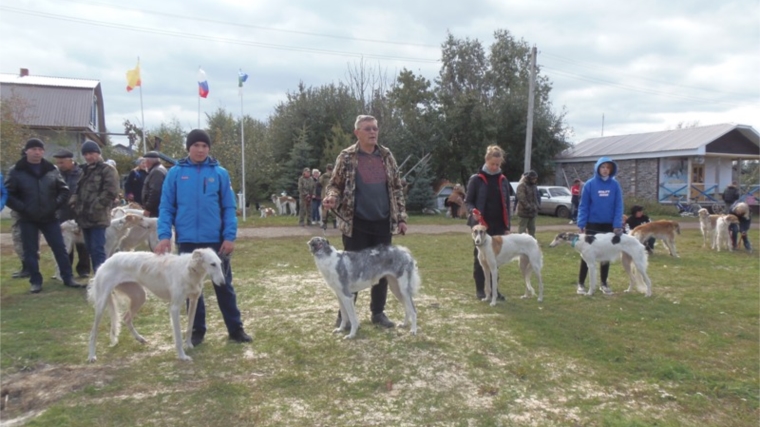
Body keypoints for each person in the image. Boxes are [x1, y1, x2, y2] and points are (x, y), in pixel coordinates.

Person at [154, 129, 252, 346]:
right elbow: (166, 207)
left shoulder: (220, 173)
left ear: (209, 149)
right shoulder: (176, 174)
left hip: (216, 242)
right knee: (191, 289)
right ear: (188, 148)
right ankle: (196, 330)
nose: (200, 150)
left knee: (224, 285)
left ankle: (235, 329)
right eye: (196, 145)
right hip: (188, 241)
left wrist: (229, 237)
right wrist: (163, 236)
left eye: (204, 146)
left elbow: (228, 207)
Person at [323, 114, 408, 329]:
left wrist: (401, 218)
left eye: (375, 128)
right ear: (357, 133)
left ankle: (378, 313)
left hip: (383, 222)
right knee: (351, 272)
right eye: (367, 129)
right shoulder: (346, 157)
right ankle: (345, 316)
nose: (372, 132)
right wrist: (332, 197)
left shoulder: (387, 156)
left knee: (381, 271)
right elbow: (335, 184)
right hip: (356, 223)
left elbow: (397, 187)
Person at [4, 138, 84, 293]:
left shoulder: (51, 169)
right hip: (27, 218)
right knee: (30, 250)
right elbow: (7, 194)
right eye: (33, 149)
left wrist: (54, 205)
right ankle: (35, 281)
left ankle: (68, 277)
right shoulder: (16, 171)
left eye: (40, 149)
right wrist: (22, 208)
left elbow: (64, 190)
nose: (37, 152)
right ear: (26, 151)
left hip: (50, 217)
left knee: (60, 249)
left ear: (43, 152)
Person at [464, 145, 512, 300]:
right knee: (480, 258)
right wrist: (473, 211)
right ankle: (480, 289)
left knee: (494, 260)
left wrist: (507, 227)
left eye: (498, 164)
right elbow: (468, 201)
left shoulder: (503, 180)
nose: (495, 167)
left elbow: (506, 204)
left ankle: (494, 291)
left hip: (498, 224)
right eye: (493, 164)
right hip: (481, 225)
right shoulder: (476, 179)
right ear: (487, 161)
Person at [575, 157, 624, 296]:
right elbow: (583, 206)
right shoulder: (590, 185)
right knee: (586, 255)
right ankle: (581, 283)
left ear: (611, 170)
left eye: (608, 168)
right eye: (603, 167)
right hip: (592, 224)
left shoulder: (615, 185)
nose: (605, 170)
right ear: (598, 168)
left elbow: (618, 206)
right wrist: (581, 223)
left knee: (605, 255)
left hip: (608, 225)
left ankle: (603, 283)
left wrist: (617, 225)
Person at [73, 140, 120, 273]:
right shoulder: (85, 170)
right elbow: (79, 190)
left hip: (98, 217)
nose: (88, 157)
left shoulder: (107, 169)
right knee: (89, 249)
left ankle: (102, 278)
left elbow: (111, 191)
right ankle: (97, 276)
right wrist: (74, 201)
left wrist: (96, 206)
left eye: (91, 153)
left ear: (98, 153)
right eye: (86, 154)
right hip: (84, 217)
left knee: (98, 249)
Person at [53, 149, 90, 278]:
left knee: (82, 242)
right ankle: (65, 269)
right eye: (57, 162)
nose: (59, 165)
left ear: (70, 161)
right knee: (64, 243)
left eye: (62, 162)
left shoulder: (82, 172)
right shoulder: (56, 173)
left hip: (79, 212)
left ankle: (84, 269)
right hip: (62, 212)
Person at [140, 151, 167, 218]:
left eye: (145, 161)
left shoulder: (157, 171)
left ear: (149, 161)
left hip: (156, 209)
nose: (144, 164)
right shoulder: (157, 170)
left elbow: (155, 191)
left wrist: (148, 208)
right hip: (156, 208)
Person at [516, 170, 539, 237]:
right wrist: (529, 207)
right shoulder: (522, 186)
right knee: (522, 230)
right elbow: (522, 198)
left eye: (535, 178)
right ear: (529, 178)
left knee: (532, 229)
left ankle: (533, 243)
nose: (535, 180)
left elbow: (535, 197)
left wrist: (537, 206)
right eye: (533, 178)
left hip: (532, 212)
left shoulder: (534, 186)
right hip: (524, 212)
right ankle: (521, 244)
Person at [319, 163, 336, 229]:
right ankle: (334, 223)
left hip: (325, 194)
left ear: (327, 169)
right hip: (332, 194)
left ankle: (324, 224)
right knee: (333, 209)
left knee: (324, 209)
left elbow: (320, 182)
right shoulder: (334, 175)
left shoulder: (324, 176)